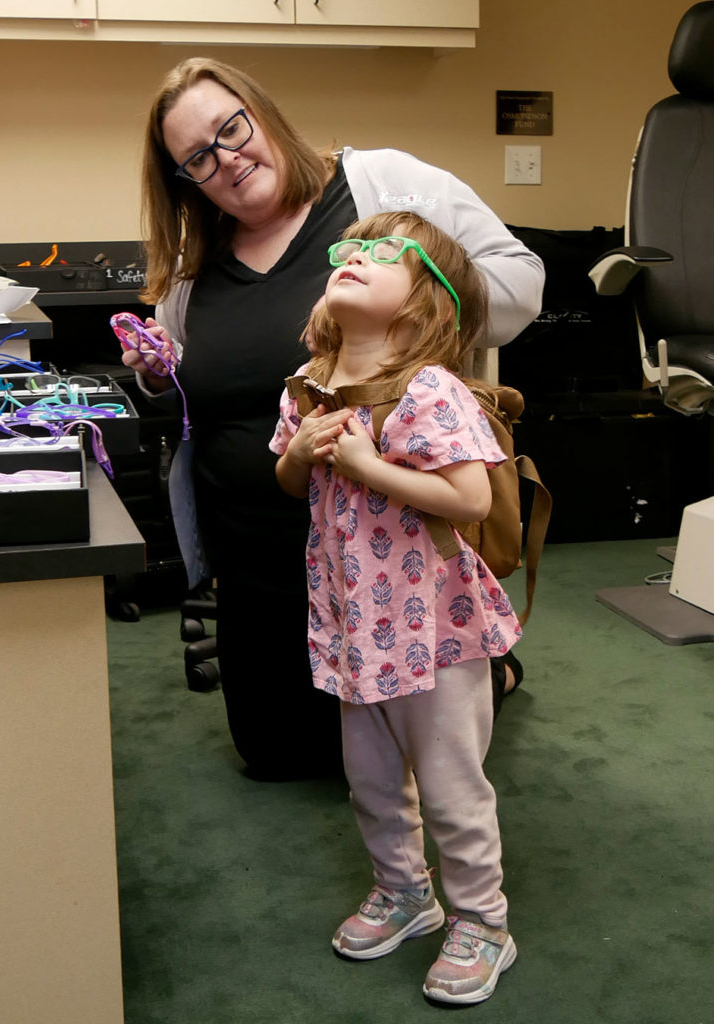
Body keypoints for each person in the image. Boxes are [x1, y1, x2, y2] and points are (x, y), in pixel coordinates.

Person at [122, 57, 543, 779]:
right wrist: (165, 377)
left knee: (415, 754)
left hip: (386, 555)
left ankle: (486, 665)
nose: (226, 159)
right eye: (198, 157)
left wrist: (418, 295)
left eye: (232, 129)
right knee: (276, 755)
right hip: (256, 568)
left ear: (262, 113)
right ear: (183, 180)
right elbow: (207, 398)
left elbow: (517, 282)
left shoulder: (380, 189)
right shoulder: (192, 273)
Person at [270, 211, 518, 1005]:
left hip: (434, 628)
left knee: (449, 786)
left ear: (422, 302)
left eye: (384, 254)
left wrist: (367, 462)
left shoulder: (429, 388)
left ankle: (483, 923)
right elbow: (287, 477)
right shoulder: (308, 382)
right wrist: (305, 453)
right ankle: (405, 894)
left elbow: (469, 494)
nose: (354, 257)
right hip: (354, 626)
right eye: (349, 249)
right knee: (371, 780)